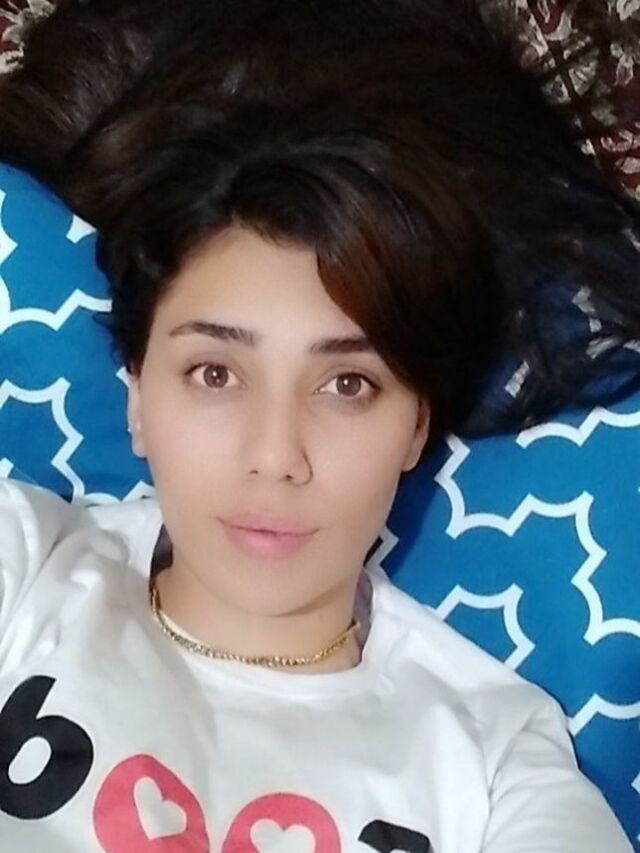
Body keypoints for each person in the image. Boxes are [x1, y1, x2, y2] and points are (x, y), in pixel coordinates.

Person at [0, 1, 638, 850]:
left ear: (417, 426)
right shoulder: (28, 565)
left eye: (346, 384)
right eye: (215, 373)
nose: (276, 456)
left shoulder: (497, 761)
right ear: (138, 399)